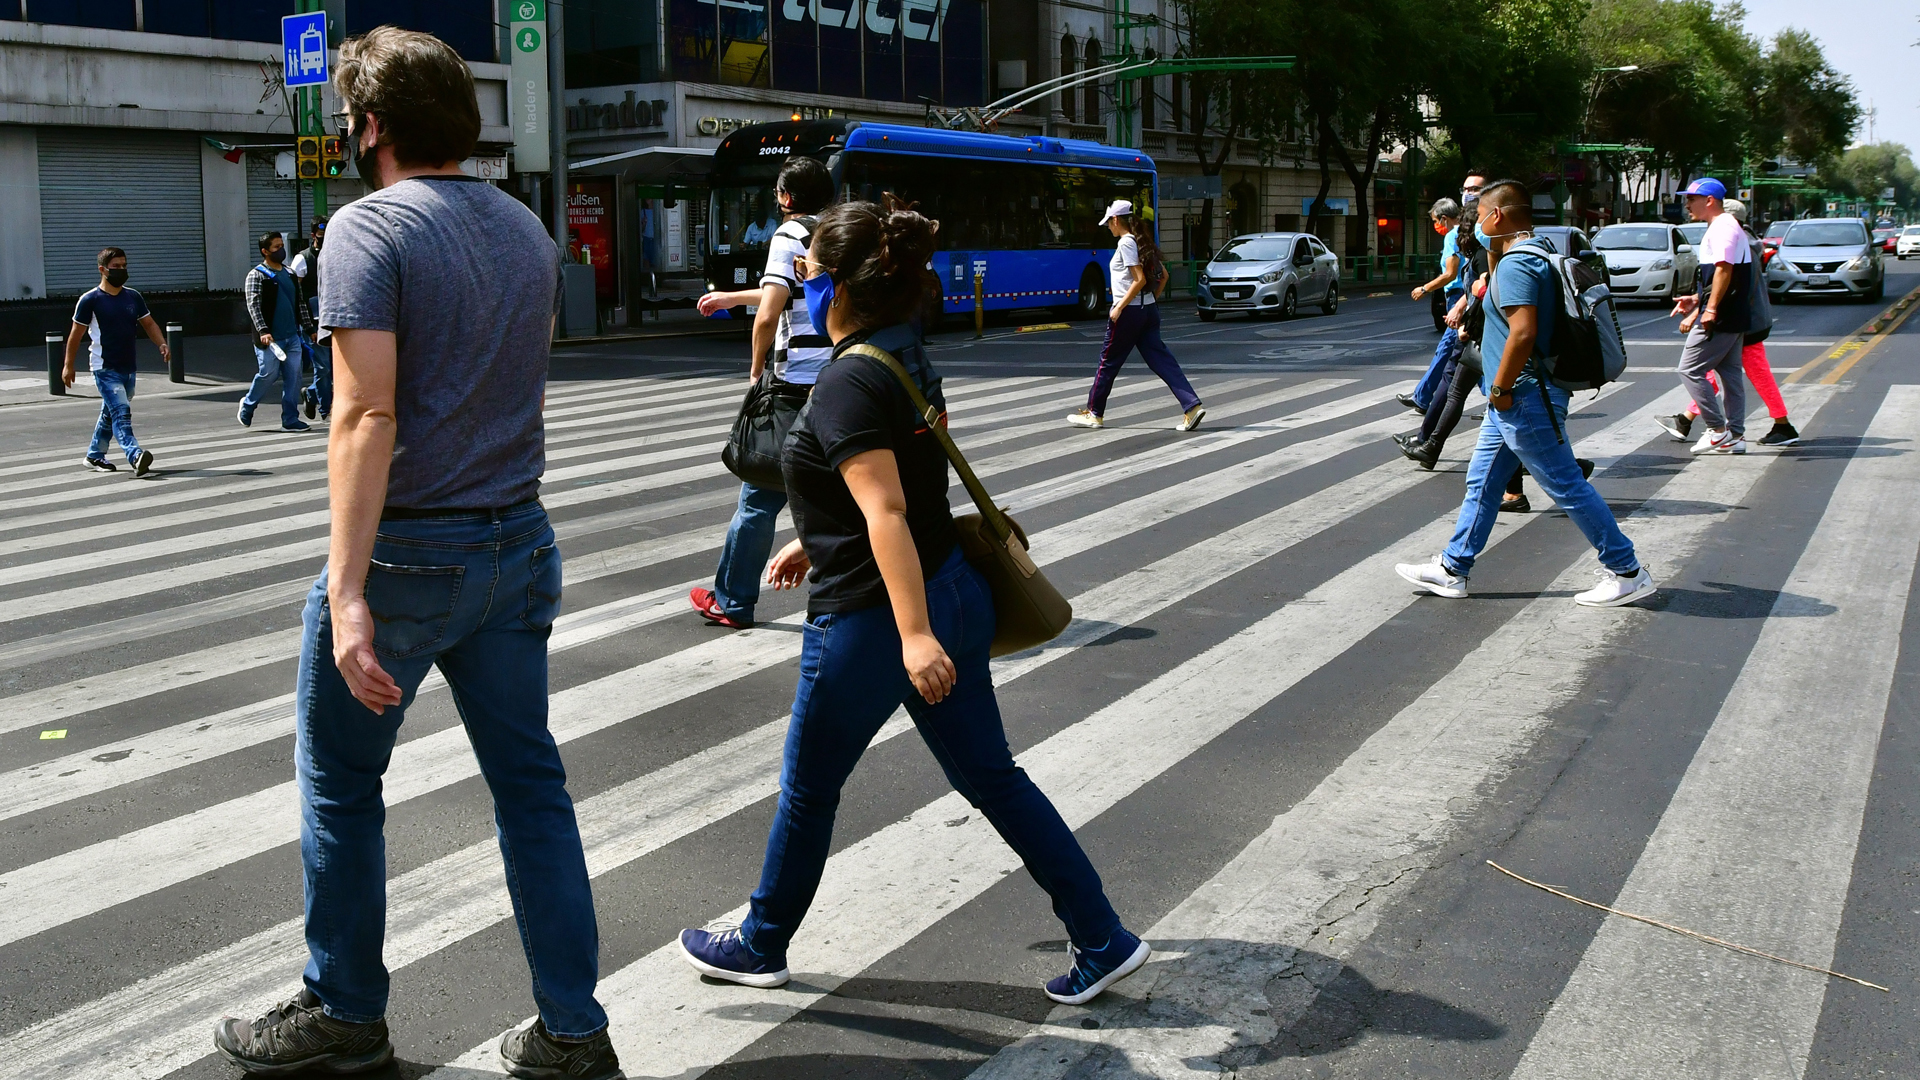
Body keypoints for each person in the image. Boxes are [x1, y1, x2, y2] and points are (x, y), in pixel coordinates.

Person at [212, 27, 622, 1080]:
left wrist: (347, 594)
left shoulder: (369, 228)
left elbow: (364, 418)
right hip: (517, 541)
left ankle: (347, 1011)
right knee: (532, 789)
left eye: (353, 117)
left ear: (376, 124)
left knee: (343, 787)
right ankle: (574, 1032)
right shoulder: (527, 232)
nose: (350, 133)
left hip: (408, 555)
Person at [680, 196, 1150, 1007]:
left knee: (808, 789)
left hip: (877, 619)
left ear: (840, 290)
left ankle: (761, 944)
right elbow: (895, 487)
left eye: (810, 276)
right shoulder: (903, 353)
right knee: (995, 779)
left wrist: (912, 636)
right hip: (950, 589)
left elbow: (887, 508)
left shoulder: (846, 381)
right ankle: (1101, 935)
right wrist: (816, 534)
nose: (802, 289)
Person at [1395, 179, 1655, 608]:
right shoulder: (1525, 257)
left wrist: (1499, 388)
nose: (1475, 225)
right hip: (1519, 397)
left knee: (1566, 484)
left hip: (1524, 397)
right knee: (1481, 483)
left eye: (1478, 217)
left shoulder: (1518, 264)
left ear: (1496, 216)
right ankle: (1453, 567)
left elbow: (1523, 331)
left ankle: (1627, 570)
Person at [689, 156, 837, 629]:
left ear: (786, 197)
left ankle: (732, 600)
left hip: (794, 385)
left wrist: (756, 373)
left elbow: (771, 315)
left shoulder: (788, 233)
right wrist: (733, 297)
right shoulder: (837, 230)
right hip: (841, 377)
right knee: (848, 492)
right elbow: (789, 291)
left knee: (759, 497)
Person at [1656, 198, 1797, 447]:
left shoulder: (1734, 241)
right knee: (1722, 371)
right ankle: (1697, 422)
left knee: (1718, 371)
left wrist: (1701, 311)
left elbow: (1728, 284)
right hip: (1745, 318)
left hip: (1744, 320)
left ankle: (1776, 425)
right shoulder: (1744, 240)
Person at [1067, 199, 1204, 431]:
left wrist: (1120, 307)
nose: (1108, 228)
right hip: (1147, 311)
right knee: (1162, 361)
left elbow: (1139, 279)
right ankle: (1191, 406)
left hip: (1129, 313)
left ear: (1116, 220)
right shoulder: (1143, 242)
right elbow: (1164, 277)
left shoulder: (1126, 243)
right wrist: (1149, 301)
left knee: (1107, 363)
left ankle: (1094, 413)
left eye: (1108, 223)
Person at [1662, 178, 1753, 455]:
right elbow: (1721, 276)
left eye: (1691, 199)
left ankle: (1717, 429)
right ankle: (1736, 435)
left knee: (1689, 369)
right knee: (1730, 375)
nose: (1687, 204)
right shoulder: (1725, 225)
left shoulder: (1723, 227)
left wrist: (1709, 309)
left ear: (1709, 200)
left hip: (1721, 315)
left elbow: (1724, 270)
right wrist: (1696, 299)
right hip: (1733, 312)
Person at [61, 246, 168, 476]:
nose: (121, 270)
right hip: (104, 367)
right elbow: (75, 335)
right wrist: (68, 365)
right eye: (115, 267)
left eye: (124, 266)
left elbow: (148, 323)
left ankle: (94, 455)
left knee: (110, 413)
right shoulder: (90, 300)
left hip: (128, 367)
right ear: (102, 269)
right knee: (121, 412)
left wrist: (162, 343)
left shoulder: (133, 296)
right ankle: (135, 455)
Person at [1399, 174, 1487, 412]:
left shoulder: (1452, 236)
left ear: (1444, 219)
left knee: (1453, 348)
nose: (1436, 226)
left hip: (1459, 296)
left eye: (1436, 221)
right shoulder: (1475, 229)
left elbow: (1450, 273)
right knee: (1464, 349)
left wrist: (1425, 288)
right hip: (1468, 294)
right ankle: (1425, 396)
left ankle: (1424, 397)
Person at [239, 231, 313, 432]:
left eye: (282, 246)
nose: (281, 250)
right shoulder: (257, 275)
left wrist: (309, 329)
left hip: (292, 336)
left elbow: (300, 304)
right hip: (270, 340)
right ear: (265, 251)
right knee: (268, 374)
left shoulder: (289, 274)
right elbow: (253, 306)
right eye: (276, 247)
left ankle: (290, 419)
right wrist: (263, 330)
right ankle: (248, 404)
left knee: (294, 377)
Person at [289, 216, 332, 421]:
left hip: (334, 318)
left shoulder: (336, 254)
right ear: (313, 235)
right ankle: (326, 410)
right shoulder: (302, 259)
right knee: (323, 366)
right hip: (314, 321)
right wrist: (306, 325)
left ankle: (312, 393)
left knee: (333, 368)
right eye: (321, 236)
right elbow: (296, 294)